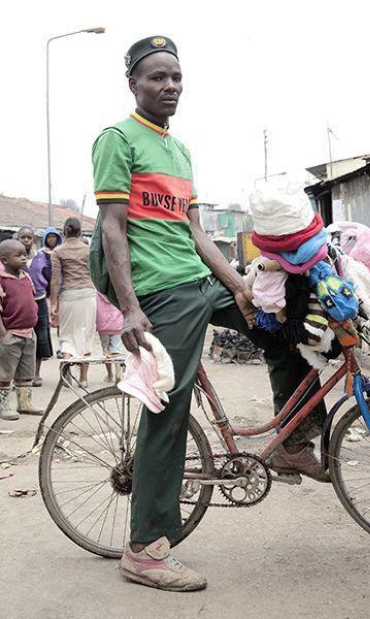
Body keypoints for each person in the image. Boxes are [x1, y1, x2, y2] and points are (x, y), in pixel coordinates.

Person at [93, 35, 326, 592]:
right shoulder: (117, 139)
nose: (169, 85)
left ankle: (293, 443)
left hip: (199, 281)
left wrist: (242, 287)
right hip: (160, 293)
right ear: (133, 84)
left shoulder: (180, 150)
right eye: (156, 77)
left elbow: (197, 232)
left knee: (290, 328)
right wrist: (129, 309)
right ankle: (144, 549)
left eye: (175, 76)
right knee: (167, 413)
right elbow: (113, 227)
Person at [49, 218, 96, 387]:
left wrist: (54, 305)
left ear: (65, 232)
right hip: (89, 295)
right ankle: (83, 379)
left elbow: (55, 280)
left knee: (67, 337)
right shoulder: (88, 250)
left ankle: (66, 377)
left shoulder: (57, 251)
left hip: (68, 295)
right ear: (80, 232)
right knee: (87, 336)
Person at [0, 240, 43, 420]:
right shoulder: (2, 281)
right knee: (5, 372)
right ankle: (3, 405)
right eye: (18, 256)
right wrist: (3, 334)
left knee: (26, 372)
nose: (24, 258)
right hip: (11, 334)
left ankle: (24, 403)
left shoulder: (26, 277)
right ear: (4, 260)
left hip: (28, 332)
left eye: (25, 254)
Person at [28, 226, 63, 386]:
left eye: (53, 237)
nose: (51, 240)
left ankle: (36, 373)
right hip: (35, 297)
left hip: (49, 296)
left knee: (42, 337)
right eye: (48, 238)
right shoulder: (39, 256)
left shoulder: (60, 253)